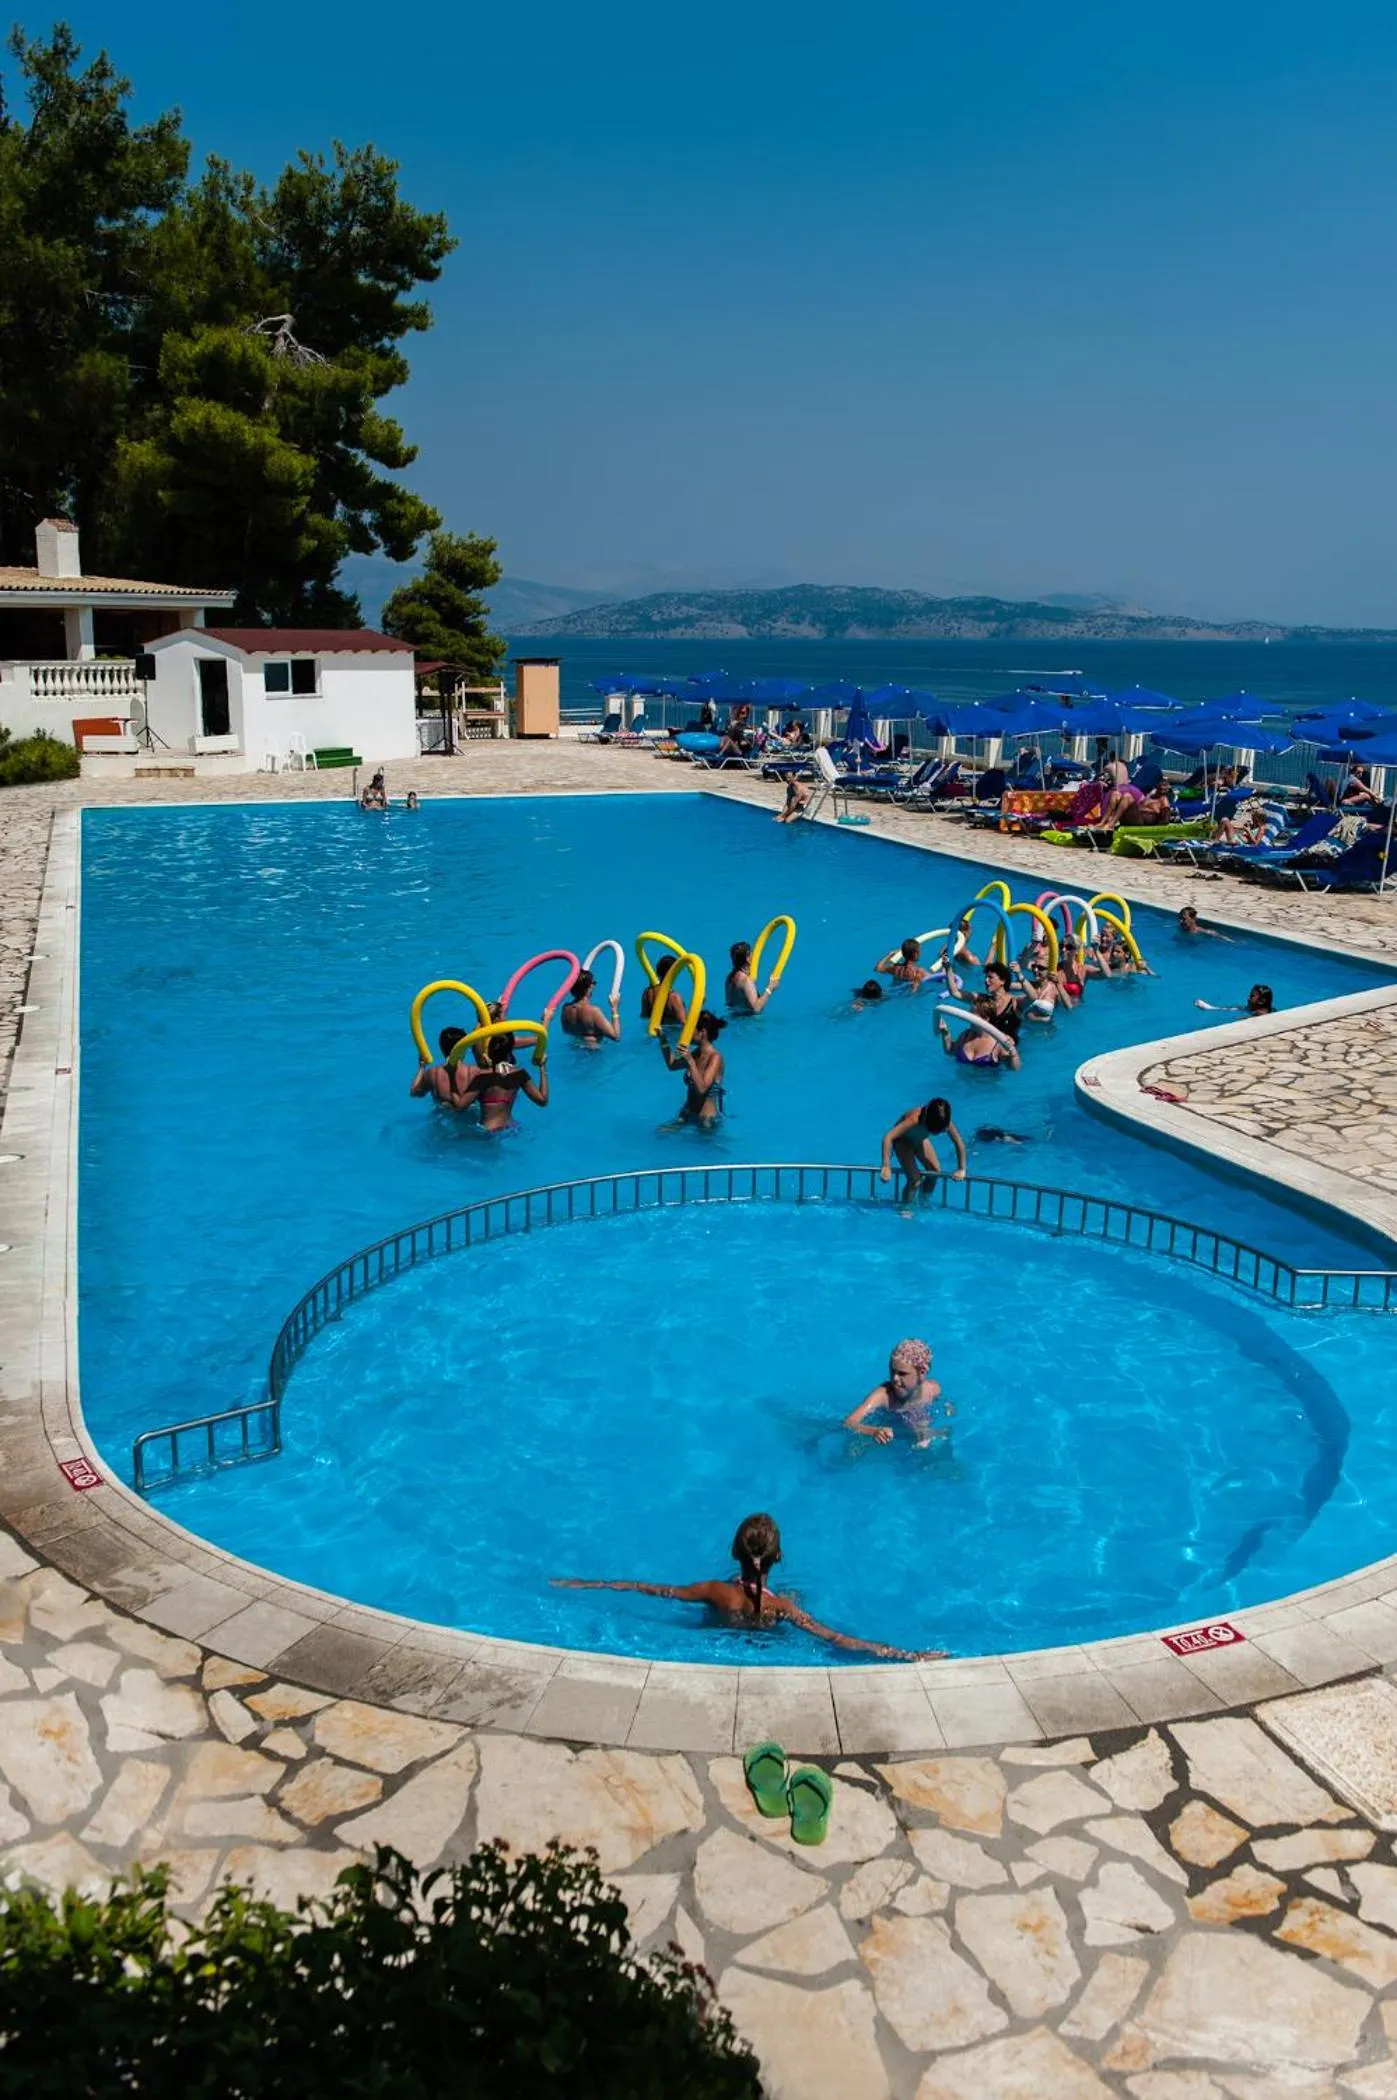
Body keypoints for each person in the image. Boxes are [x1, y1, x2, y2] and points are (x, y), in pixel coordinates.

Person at [553, 1512, 941, 1661]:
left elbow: (653, 1589)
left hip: (720, 1639)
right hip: (769, 1640)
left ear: (734, 1552)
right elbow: (836, 1638)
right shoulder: (783, 1609)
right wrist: (905, 1654)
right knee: (797, 1598)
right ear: (778, 1558)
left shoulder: (714, 1592)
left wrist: (588, 1582)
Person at [844, 1339, 953, 1451]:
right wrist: (874, 1431)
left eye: (902, 1374)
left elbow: (945, 1402)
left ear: (922, 1373)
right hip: (890, 1429)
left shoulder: (933, 1389)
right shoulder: (884, 1395)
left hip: (916, 1425)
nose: (895, 1379)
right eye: (892, 1371)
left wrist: (949, 1407)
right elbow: (848, 1422)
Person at [456, 1029, 549, 1132]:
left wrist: (451, 1074)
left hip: (488, 1131)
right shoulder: (519, 1074)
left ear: (490, 1050)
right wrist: (542, 1067)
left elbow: (460, 1107)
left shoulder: (482, 1078)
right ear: (510, 1050)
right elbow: (542, 1100)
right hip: (512, 1128)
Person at [880, 1096, 967, 1195]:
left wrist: (961, 1168)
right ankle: (905, 1208)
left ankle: (924, 1200)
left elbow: (958, 1142)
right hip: (902, 1141)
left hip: (919, 1139)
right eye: (935, 1130)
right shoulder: (914, 1120)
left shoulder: (944, 1122)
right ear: (926, 1119)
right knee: (915, 1180)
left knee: (934, 1172)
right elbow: (888, 1137)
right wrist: (886, 1165)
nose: (942, 1131)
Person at [658, 1009, 726, 1124]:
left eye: (690, 1030)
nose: (686, 1034)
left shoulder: (715, 1058)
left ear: (702, 1032)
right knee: (660, 1134)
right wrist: (663, 1040)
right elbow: (672, 1065)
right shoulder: (696, 1053)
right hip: (687, 1113)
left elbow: (702, 1089)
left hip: (706, 1121)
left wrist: (690, 1061)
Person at [938, 995, 1020, 1070]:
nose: (967, 1014)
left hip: (986, 1085)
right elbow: (950, 1051)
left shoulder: (999, 1042)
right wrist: (945, 1033)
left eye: (972, 1012)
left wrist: (1013, 1052)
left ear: (985, 1018)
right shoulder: (966, 1035)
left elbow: (1014, 1069)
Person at [410, 1026, 476, 1110]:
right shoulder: (474, 1072)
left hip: (443, 1119)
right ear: (463, 1048)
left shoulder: (433, 1074)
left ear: (441, 1048)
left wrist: (421, 1067)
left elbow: (414, 1092)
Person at [559, 968, 621, 1043]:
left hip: (573, 1048)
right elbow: (616, 1036)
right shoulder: (593, 1011)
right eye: (594, 982)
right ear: (590, 987)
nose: (594, 984)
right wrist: (615, 1009)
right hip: (593, 1052)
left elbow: (566, 1031)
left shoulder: (565, 1009)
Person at [725, 940, 780, 1014]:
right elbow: (756, 1009)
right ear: (747, 958)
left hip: (735, 1018)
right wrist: (770, 988)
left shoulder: (729, 978)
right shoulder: (746, 981)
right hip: (748, 1021)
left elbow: (729, 1004)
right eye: (751, 953)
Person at [640, 965, 687, 1030]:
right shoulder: (674, 997)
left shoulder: (646, 993)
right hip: (673, 1035)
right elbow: (684, 1025)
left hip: (653, 1032)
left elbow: (644, 1017)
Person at [1195, 983, 1274, 1017]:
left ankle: (1210, 1008)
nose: (1248, 998)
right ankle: (1211, 1008)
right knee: (1240, 1008)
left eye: (1252, 996)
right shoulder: (1269, 1009)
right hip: (1248, 1010)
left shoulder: (1259, 1013)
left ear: (1262, 1001)